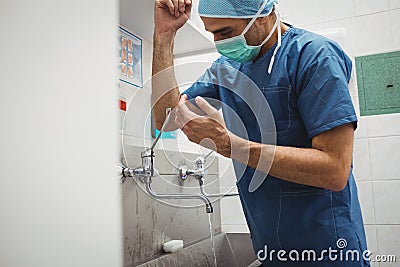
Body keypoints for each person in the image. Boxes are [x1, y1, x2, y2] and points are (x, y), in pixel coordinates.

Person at [152, 0, 369, 266]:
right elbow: (166, 119)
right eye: (212, 33)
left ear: (263, 14)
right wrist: (164, 36)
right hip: (271, 250)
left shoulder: (314, 57)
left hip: (328, 251)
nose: (219, 43)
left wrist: (232, 146)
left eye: (225, 32)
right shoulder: (226, 69)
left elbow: (335, 170)